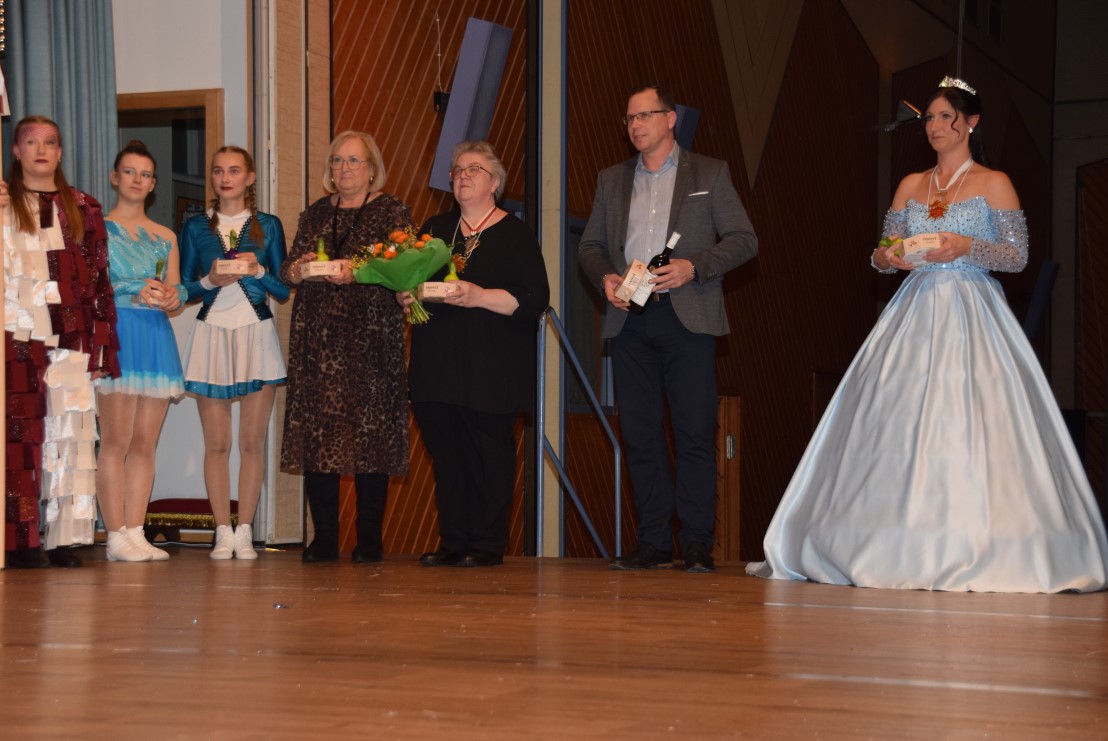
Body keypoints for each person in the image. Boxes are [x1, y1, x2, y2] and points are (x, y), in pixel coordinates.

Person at [747, 77, 1108, 593]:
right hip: (914, 306)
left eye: (946, 117)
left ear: (971, 122)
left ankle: (989, 542)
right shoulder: (911, 184)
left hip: (972, 306)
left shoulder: (994, 182)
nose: (935, 127)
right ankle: (878, 538)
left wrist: (966, 246)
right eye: (930, 118)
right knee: (890, 416)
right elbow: (882, 251)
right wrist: (888, 256)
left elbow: (1017, 256)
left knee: (972, 414)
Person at [578, 85, 758, 573]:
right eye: (629, 119)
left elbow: (744, 239)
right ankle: (654, 540)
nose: (635, 125)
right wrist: (605, 278)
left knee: (693, 430)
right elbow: (590, 247)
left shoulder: (709, 172)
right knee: (640, 433)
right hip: (629, 318)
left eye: (645, 115)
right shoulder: (611, 179)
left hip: (688, 316)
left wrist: (693, 267)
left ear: (671, 118)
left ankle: (697, 542)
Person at [398, 140, 549, 568]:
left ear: (495, 182)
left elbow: (534, 298)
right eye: (457, 170)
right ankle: (453, 541)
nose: (462, 175)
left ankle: (486, 544)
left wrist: (479, 295)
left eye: (474, 169)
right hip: (436, 365)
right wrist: (406, 295)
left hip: (490, 369)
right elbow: (412, 281)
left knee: (489, 458)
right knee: (447, 458)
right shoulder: (436, 228)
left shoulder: (515, 234)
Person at [280, 130, 410, 564]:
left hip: (371, 337)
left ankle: (368, 540)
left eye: (354, 160)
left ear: (372, 168)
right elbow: (288, 267)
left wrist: (359, 271)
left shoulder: (392, 210)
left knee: (371, 435)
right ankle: (325, 539)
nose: (344, 168)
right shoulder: (316, 212)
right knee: (320, 435)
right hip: (318, 340)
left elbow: (403, 265)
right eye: (337, 160)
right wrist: (298, 270)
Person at [2, 115, 120, 568]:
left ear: (60, 151)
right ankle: (18, 540)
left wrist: (102, 343)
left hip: (71, 334)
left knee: (70, 434)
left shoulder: (84, 207)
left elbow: (99, 278)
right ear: (17, 151)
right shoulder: (3, 203)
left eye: (49, 142)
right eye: (31, 142)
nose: (41, 150)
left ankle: (64, 539)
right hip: (16, 335)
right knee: (19, 437)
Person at [180, 145, 289, 560]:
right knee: (217, 444)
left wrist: (258, 270)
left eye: (234, 170)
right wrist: (210, 280)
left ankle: (245, 531)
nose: (225, 178)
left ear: (250, 177)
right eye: (218, 170)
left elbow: (283, 289)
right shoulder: (195, 227)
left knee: (251, 442)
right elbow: (185, 289)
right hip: (211, 335)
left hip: (256, 334)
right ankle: (222, 531)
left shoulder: (269, 225)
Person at [95, 140, 187, 562]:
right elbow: (90, 289)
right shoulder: (96, 229)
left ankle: (135, 531)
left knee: (145, 443)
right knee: (116, 439)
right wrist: (133, 289)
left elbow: (177, 288)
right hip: (118, 334)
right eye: (130, 171)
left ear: (153, 184)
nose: (137, 179)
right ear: (115, 178)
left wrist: (172, 296)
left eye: (146, 174)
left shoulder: (166, 235)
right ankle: (114, 535)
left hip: (154, 336)